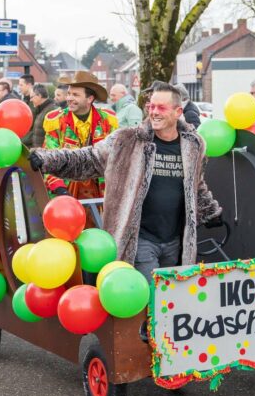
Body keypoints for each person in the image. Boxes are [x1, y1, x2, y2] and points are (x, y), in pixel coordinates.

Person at [29, 83, 223, 282]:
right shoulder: (128, 140)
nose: (154, 112)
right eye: (151, 107)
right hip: (139, 240)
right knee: (150, 295)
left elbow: (196, 184)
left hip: (176, 241)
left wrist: (210, 211)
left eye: (161, 108)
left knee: (169, 299)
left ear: (178, 112)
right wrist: (47, 159)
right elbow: (89, 158)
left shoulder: (193, 145)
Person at [41, 71, 118, 198]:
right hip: (66, 190)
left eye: (75, 95)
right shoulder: (56, 121)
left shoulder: (107, 120)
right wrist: (60, 190)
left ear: (90, 99)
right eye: (69, 93)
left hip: (100, 192)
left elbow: (116, 157)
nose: (69, 98)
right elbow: (49, 158)